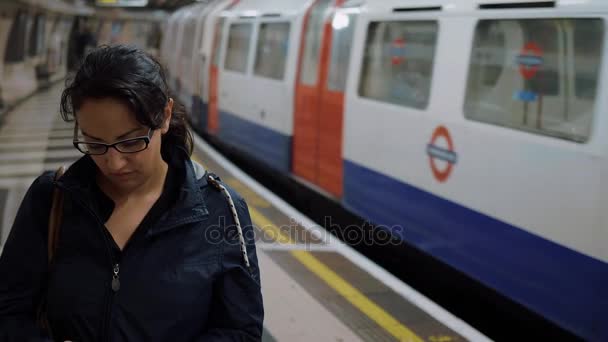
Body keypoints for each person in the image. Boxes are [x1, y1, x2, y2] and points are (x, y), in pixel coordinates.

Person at [0, 45, 264, 341]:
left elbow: (240, 331)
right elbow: (9, 311)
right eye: (95, 143)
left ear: (164, 116)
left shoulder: (221, 210)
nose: (113, 163)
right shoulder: (51, 199)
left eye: (130, 142)